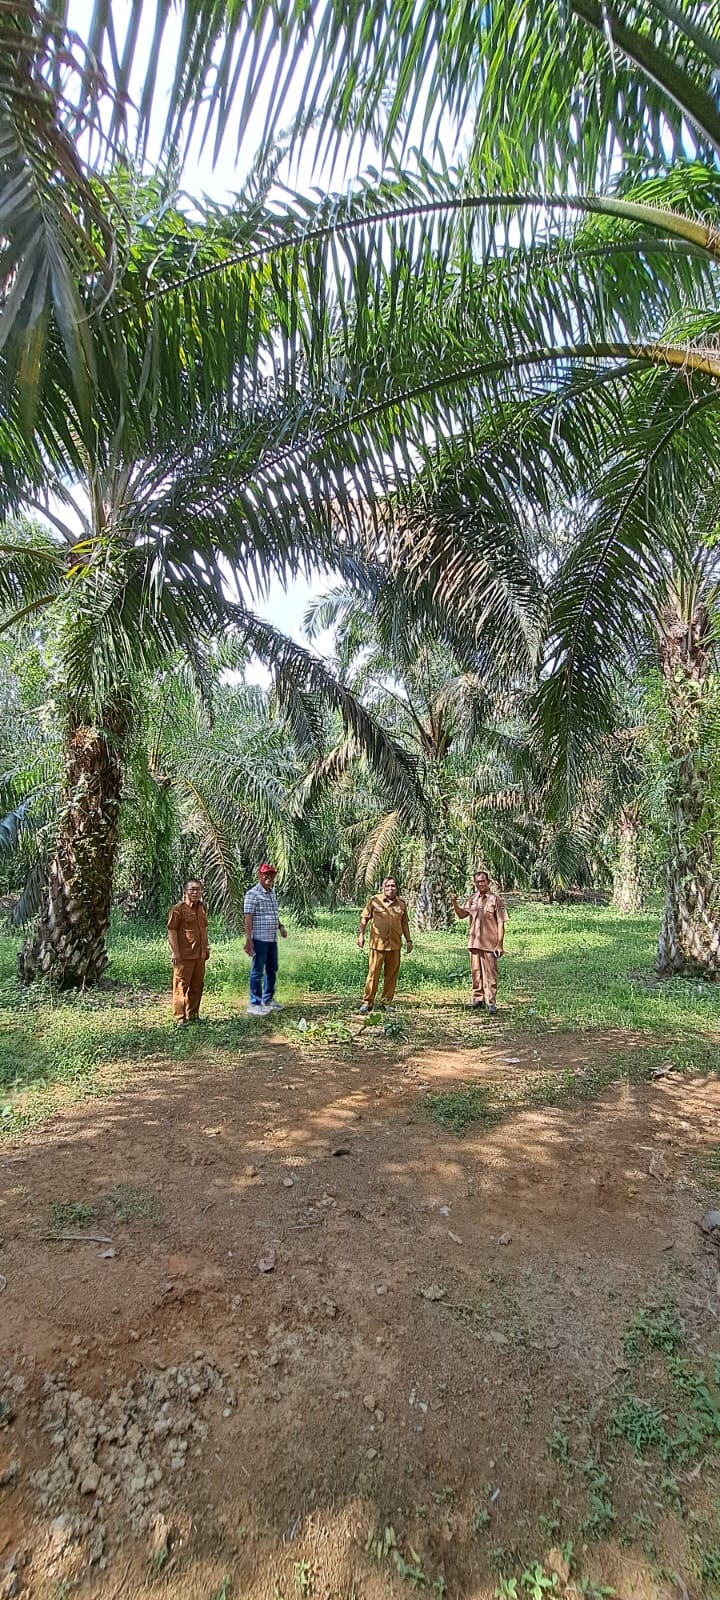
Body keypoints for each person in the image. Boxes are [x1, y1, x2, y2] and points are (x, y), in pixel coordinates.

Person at [451, 868, 506, 1014]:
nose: (480, 884)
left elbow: (501, 923)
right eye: (477, 882)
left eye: (482, 881)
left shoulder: (495, 900)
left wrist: (500, 944)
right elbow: (462, 915)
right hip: (474, 943)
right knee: (476, 972)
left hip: (490, 944)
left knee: (490, 974)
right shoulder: (472, 899)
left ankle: (491, 1002)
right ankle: (477, 999)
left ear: (488, 882)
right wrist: (455, 903)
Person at [357, 875, 413, 1012]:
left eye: (393, 886)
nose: (390, 888)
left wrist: (409, 940)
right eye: (387, 886)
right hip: (378, 946)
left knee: (391, 975)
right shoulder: (374, 901)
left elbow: (404, 923)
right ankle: (367, 1002)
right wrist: (361, 934)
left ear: (396, 888)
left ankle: (386, 1002)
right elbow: (365, 918)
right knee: (373, 974)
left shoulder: (401, 904)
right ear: (383, 888)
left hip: (395, 945)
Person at [243, 862, 287, 1017]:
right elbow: (248, 918)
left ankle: (268, 999)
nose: (269, 877)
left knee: (272, 969)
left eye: (271, 875)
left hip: (271, 939)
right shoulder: (252, 894)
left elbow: (273, 915)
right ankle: (254, 1003)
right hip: (259, 939)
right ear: (259, 876)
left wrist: (280, 926)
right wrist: (249, 940)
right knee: (257, 971)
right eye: (266, 874)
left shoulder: (272, 893)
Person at [167, 879, 210, 1025]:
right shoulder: (178, 909)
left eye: (198, 889)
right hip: (184, 956)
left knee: (198, 985)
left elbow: (203, 929)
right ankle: (180, 1019)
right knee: (181, 987)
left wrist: (206, 948)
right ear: (185, 891)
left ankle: (193, 1015)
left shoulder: (202, 908)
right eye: (192, 889)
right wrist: (175, 952)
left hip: (199, 955)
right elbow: (172, 930)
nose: (195, 892)